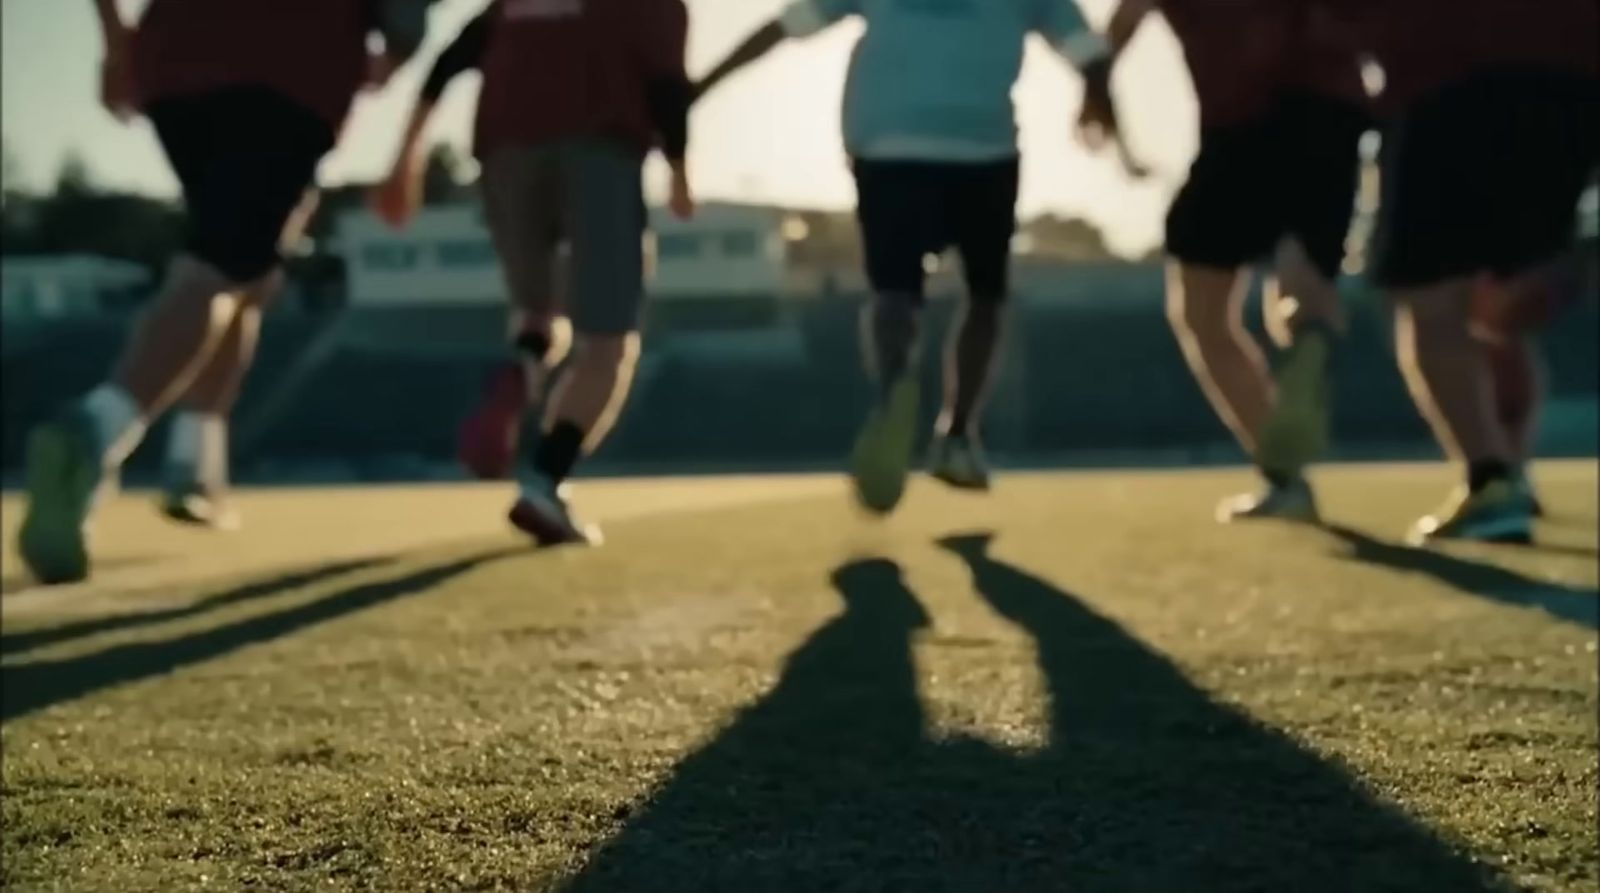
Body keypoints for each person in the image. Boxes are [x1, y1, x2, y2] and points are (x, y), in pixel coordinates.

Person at [16, 0, 434, 585]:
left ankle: (196, 462)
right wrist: (392, 54)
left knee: (251, 271)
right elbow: (404, 22)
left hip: (174, 64)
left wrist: (116, 45)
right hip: (291, 72)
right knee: (217, 268)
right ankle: (93, 429)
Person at [695, 0, 1125, 515]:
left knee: (895, 292)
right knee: (985, 296)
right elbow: (1088, 52)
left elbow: (783, 29)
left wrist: (700, 87)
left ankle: (893, 387)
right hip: (980, 149)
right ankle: (958, 434)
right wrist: (1101, 103)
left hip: (890, 146)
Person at [373, 0, 694, 546]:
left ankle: (523, 363)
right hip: (600, 146)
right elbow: (667, 90)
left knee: (537, 309)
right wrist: (683, 173)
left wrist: (404, 159)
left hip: (504, 151)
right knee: (607, 342)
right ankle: (545, 481)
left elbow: (447, 63)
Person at [1105, 0, 1372, 524]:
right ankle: (1309, 341)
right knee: (1302, 284)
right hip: (1329, 115)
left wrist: (1105, 116)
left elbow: (1117, 30)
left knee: (1204, 316)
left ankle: (1286, 478)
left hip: (1237, 124)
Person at [1351, 0, 1598, 543]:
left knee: (1430, 299)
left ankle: (1492, 481)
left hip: (1441, 77)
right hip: (1570, 89)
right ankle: (1511, 472)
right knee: (1499, 301)